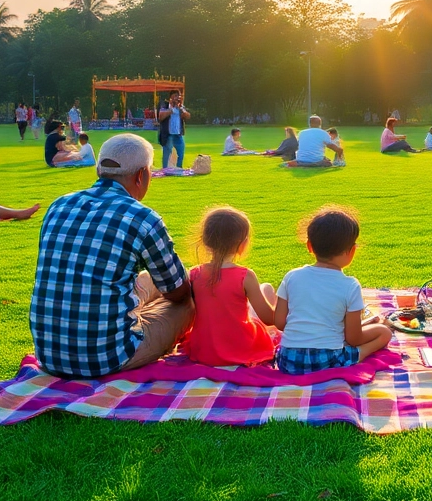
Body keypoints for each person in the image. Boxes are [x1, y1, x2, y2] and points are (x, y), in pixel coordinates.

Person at [30, 134, 192, 377]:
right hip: (106, 356)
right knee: (188, 305)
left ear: (99, 170)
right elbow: (178, 291)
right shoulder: (142, 218)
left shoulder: (58, 205)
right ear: (142, 175)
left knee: (148, 280)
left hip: (49, 355)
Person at [273, 206, 391, 374]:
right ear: (352, 251)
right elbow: (354, 338)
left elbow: (280, 322)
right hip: (328, 360)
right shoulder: (350, 285)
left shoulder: (292, 276)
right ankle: (357, 356)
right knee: (384, 332)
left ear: (309, 246)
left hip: (288, 360)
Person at [178, 206, 278, 367]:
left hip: (204, 350)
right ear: (242, 244)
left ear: (205, 241)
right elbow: (268, 318)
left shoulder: (195, 274)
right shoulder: (245, 276)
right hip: (240, 348)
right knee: (267, 290)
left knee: (264, 289)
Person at [157, 91, 190, 170]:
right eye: (175, 96)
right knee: (167, 154)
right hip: (168, 135)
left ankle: (179, 169)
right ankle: (165, 169)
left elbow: (187, 116)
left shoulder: (180, 107)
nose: (177, 98)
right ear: (170, 97)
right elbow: (161, 117)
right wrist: (171, 109)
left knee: (180, 154)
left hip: (178, 135)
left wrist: (181, 108)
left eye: (178, 96)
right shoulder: (164, 105)